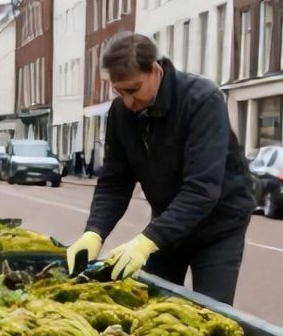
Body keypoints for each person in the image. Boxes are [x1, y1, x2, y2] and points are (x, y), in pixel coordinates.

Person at [63, 33, 254, 303]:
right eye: (119, 92)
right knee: (151, 302)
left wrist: (147, 241)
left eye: (133, 90)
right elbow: (115, 182)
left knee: (211, 311)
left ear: (155, 70)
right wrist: (94, 232)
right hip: (169, 222)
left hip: (219, 225)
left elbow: (202, 188)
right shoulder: (121, 113)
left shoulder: (203, 100)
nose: (128, 101)